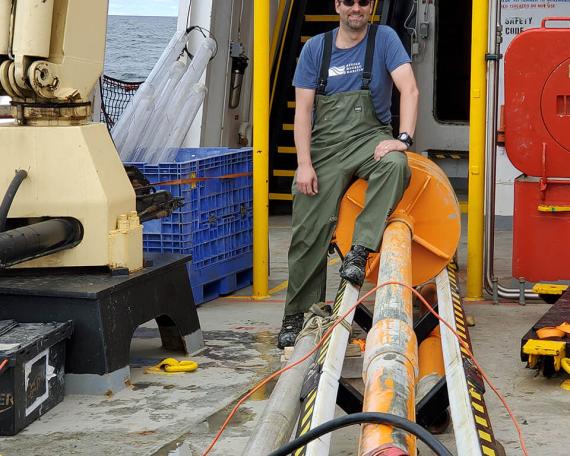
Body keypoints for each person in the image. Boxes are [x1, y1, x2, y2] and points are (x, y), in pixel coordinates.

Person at [277, 0, 419, 349]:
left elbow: (410, 90)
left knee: (395, 166)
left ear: (371, 6)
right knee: (308, 231)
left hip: (370, 137)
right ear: (338, 5)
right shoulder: (316, 48)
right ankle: (299, 314)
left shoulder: (384, 38)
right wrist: (304, 163)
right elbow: (304, 112)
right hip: (325, 146)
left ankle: (359, 250)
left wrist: (401, 140)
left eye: (364, 2)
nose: (357, 8)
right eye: (349, 1)